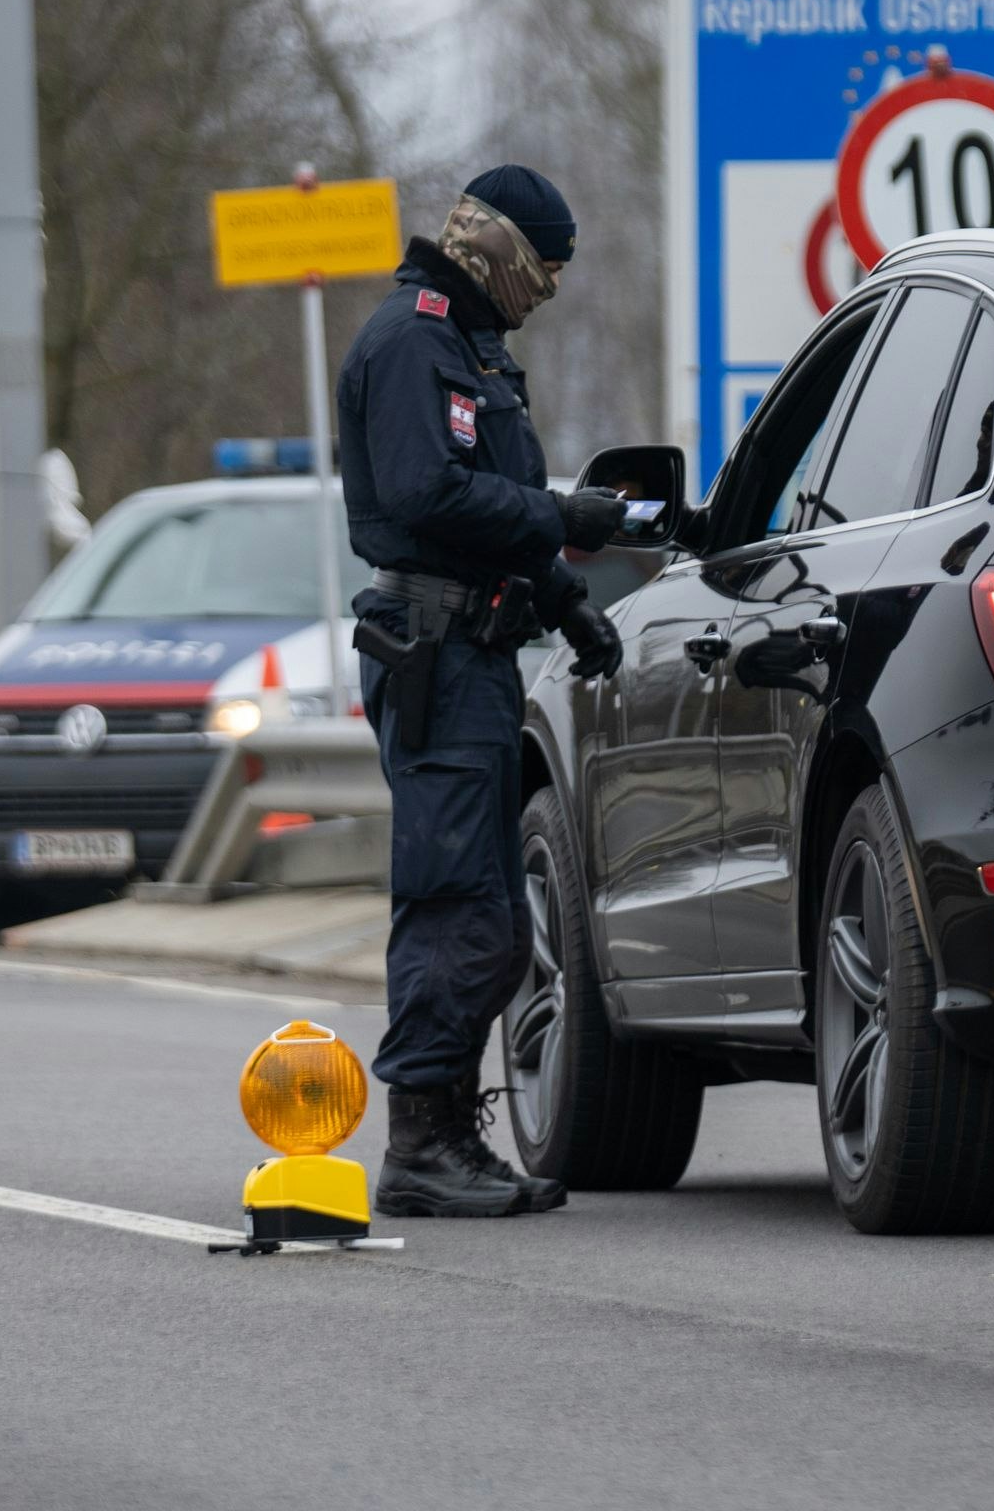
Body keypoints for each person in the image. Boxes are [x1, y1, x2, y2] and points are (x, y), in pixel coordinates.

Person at [335, 164, 628, 1219]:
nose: (546, 286)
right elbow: (429, 493)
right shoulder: (415, 340)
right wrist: (563, 518)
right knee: (457, 903)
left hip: (475, 651)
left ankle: (449, 1131)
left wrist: (564, 599)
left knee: (494, 914)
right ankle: (420, 1140)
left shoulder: (472, 348)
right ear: (498, 249)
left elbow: (483, 513)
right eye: (541, 265)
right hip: (436, 653)